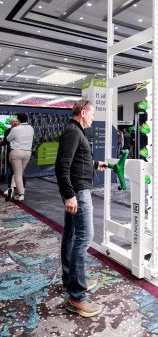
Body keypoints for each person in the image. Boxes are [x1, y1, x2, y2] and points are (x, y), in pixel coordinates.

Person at [55, 99, 106, 318]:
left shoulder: (76, 131)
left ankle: (71, 281)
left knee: (71, 236)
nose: (93, 119)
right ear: (83, 112)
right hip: (78, 193)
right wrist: (69, 195)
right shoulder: (73, 132)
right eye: (92, 114)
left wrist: (95, 165)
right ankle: (77, 296)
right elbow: (62, 166)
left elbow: (77, 160)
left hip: (76, 192)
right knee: (84, 238)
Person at [7, 113, 34, 201]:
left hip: (16, 152)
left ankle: (21, 194)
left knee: (17, 174)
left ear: (18, 120)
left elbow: (8, 139)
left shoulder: (15, 129)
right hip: (27, 153)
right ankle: (11, 188)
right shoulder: (31, 128)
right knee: (19, 173)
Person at [2, 117, 19, 201]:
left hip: (16, 154)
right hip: (14, 154)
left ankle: (13, 189)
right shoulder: (8, 131)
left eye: (16, 121)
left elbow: (5, 142)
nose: (15, 122)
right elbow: (5, 142)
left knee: (14, 172)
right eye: (14, 121)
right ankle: (13, 188)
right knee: (14, 172)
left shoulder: (11, 131)